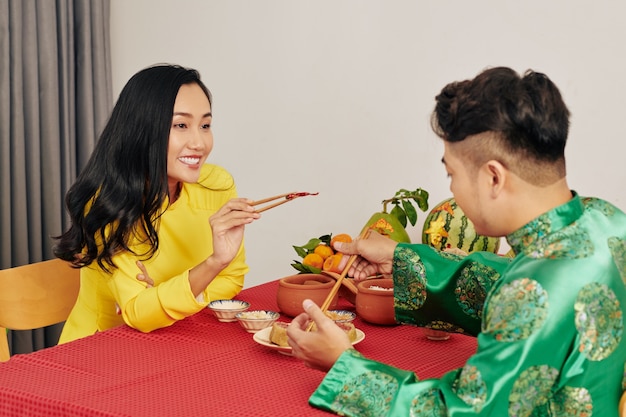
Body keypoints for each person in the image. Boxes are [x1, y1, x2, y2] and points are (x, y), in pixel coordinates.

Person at [287, 67, 626, 416]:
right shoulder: (606, 219)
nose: (451, 189)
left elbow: (461, 411)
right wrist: (402, 260)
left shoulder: (531, 292)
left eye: (452, 174)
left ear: (493, 176)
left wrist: (344, 365)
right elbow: (518, 282)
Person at [53, 64, 260, 343]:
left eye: (205, 125)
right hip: (102, 348)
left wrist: (161, 298)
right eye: (181, 125)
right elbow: (139, 314)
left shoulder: (216, 185)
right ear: (143, 130)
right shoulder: (109, 203)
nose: (199, 142)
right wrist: (212, 265)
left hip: (175, 337)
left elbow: (232, 280)